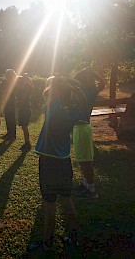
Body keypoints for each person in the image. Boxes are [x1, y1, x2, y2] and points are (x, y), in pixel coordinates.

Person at [28, 75, 86, 253]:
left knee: (49, 205)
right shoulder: (71, 112)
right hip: (64, 163)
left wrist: (56, 84)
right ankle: (74, 237)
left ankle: (47, 244)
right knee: (67, 201)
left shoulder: (52, 109)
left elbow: (46, 94)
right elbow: (83, 104)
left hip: (48, 163)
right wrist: (74, 89)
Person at [73, 67, 105, 199]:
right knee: (82, 159)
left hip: (82, 127)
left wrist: (94, 73)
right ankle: (86, 184)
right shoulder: (86, 90)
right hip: (78, 127)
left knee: (86, 160)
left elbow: (102, 83)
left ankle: (91, 190)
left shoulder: (90, 90)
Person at [17, 73, 34, 150]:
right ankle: (27, 143)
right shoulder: (23, 87)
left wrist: (25, 79)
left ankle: (27, 143)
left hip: (25, 109)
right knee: (24, 127)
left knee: (25, 126)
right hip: (23, 108)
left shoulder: (27, 87)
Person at [2, 69, 18, 139]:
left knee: (11, 118)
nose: (6, 77)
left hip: (11, 102)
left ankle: (12, 134)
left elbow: (12, 93)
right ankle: (9, 133)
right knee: (7, 117)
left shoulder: (13, 83)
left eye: (7, 75)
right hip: (7, 101)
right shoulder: (7, 82)